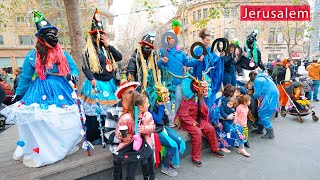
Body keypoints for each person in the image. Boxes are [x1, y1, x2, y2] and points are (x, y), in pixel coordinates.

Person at [0, 10, 81, 167]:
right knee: (40, 119)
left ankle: (60, 145)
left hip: (61, 89)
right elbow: (25, 78)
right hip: (39, 90)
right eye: (49, 34)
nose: (53, 37)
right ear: (41, 38)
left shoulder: (62, 54)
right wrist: (18, 94)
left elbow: (74, 69)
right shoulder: (32, 56)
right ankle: (43, 147)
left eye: (54, 34)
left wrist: (73, 76)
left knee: (62, 118)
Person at [81, 9, 122, 143]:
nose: (99, 36)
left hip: (109, 83)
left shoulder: (106, 48)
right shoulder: (88, 50)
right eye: (96, 34)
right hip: (96, 83)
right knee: (95, 112)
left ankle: (110, 134)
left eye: (101, 34)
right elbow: (85, 67)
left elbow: (119, 57)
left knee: (110, 111)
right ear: (92, 36)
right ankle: (96, 137)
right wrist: (91, 79)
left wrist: (108, 45)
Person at [175, 73, 224, 167]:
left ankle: (214, 148)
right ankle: (195, 157)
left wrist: (201, 101)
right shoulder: (186, 100)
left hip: (199, 120)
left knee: (210, 129)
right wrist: (192, 122)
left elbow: (204, 113)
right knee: (197, 133)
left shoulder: (200, 99)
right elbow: (183, 115)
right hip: (188, 122)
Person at [158, 29, 203, 127]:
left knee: (179, 100)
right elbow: (158, 66)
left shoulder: (180, 53)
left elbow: (188, 62)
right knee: (167, 101)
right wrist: (162, 61)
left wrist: (198, 60)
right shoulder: (163, 51)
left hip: (179, 82)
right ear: (168, 40)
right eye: (171, 38)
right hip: (167, 83)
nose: (173, 40)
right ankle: (169, 120)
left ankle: (177, 119)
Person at [104, 81, 141, 180]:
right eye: (130, 92)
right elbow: (108, 132)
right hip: (118, 144)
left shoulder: (137, 108)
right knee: (118, 160)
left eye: (134, 91)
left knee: (134, 157)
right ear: (122, 95)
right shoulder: (112, 110)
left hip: (134, 143)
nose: (134, 94)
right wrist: (120, 138)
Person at [115, 91, 155, 180]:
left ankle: (149, 177)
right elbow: (118, 132)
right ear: (141, 107)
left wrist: (144, 128)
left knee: (148, 159)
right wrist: (122, 136)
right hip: (130, 144)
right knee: (132, 164)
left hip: (144, 142)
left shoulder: (148, 115)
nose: (149, 105)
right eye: (147, 103)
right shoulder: (126, 118)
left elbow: (152, 127)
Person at [151, 85, 186, 177]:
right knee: (173, 145)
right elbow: (158, 120)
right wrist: (161, 106)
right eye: (164, 94)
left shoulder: (160, 104)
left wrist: (163, 107)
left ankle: (173, 160)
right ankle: (165, 167)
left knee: (179, 140)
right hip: (154, 132)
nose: (167, 96)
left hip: (162, 128)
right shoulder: (150, 107)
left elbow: (166, 120)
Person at [192, 28, 224, 108]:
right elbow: (193, 62)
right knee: (202, 98)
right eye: (207, 40)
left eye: (209, 40)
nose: (208, 42)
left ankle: (210, 115)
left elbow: (216, 60)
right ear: (202, 39)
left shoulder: (210, 50)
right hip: (201, 78)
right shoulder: (198, 50)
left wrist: (221, 57)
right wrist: (199, 60)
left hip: (210, 79)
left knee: (211, 97)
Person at [252, 73, 279, 139]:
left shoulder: (257, 80)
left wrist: (251, 96)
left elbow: (257, 93)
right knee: (262, 112)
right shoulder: (266, 78)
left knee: (263, 114)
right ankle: (260, 129)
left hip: (269, 96)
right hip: (274, 94)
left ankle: (270, 133)